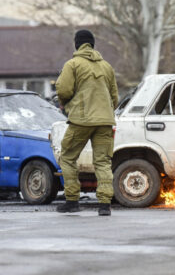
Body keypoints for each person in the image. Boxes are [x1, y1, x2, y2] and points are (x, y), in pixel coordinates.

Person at [55, 29, 118, 216]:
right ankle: (105, 205)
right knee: (103, 162)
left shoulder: (72, 64)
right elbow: (114, 97)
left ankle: (72, 200)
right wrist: (105, 112)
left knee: (67, 157)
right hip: (105, 120)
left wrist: (67, 104)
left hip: (81, 121)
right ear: (92, 44)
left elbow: (64, 90)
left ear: (77, 44)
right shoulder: (106, 66)